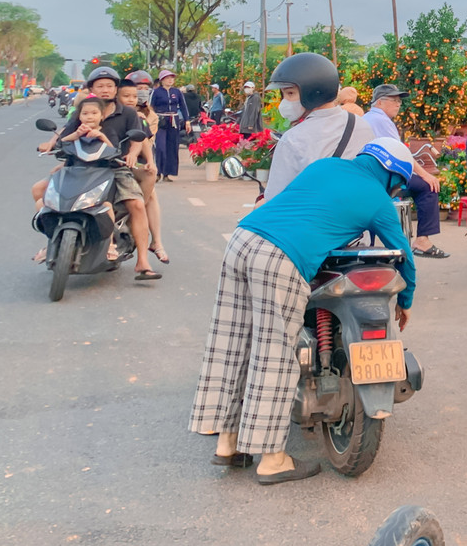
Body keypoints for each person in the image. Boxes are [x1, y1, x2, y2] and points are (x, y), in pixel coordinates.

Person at [189, 139, 418, 485]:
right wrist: (406, 300)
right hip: (280, 258)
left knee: (234, 342)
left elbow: (303, 207)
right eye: (399, 184)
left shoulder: (324, 166)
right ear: (391, 176)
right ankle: (272, 460)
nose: (397, 190)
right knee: (275, 354)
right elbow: (402, 254)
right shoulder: (378, 200)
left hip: (242, 240)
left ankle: (227, 442)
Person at [35, 66, 160, 280]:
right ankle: (52, 240)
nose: (105, 90)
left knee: (137, 205)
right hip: (78, 167)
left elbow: (138, 139)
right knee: (40, 191)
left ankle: (142, 261)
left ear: (115, 89)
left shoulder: (128, 112)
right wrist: (50, 144)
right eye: (100, 86)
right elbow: (65, 132)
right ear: (92, 88)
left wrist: (131, 154)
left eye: (110, 86)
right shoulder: (85, 109)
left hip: (115, 168)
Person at [264, 53, 376, 201]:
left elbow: (275, 199)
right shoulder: (362, 125)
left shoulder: (292, 140)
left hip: (312, 220)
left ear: (312, 92)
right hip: (358, 217)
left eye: (290, 93)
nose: (285, 102)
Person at [364, 83, 449, 259]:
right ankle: (422, 241)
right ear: (379, 102)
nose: (398, 104)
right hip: (382, 178)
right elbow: (401, 152)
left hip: (369, 176)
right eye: (394, 100)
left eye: (399, 101)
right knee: (427, 186)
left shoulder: (368, 118)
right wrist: (425, 175)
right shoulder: (380, 119)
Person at [120, 78, 168, 264]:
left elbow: (144, 141)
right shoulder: (101, 112)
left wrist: (150, 161)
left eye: (136, 95)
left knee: (148, 196)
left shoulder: (142, 117)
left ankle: (156, 241)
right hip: (106, 163)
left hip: (133, 164)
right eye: (127, 96)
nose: (132, 99)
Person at [150, 69, 189, 181]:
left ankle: (167, 174)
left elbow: (183, 106)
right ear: (162, 80)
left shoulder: (177, 92)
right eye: (167, 78)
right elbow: (151, 107)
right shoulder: (156, 92)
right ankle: (158, 172)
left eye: (172, 78)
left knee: (172, 147)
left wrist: (187, 121)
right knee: (161, 147)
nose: (170, 80)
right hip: (160, 121)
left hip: (174, 121)